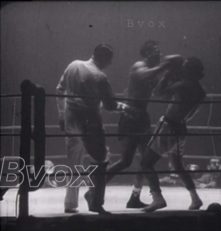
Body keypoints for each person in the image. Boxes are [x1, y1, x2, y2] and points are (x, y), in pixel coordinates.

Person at [105, 40, 179, 208]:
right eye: (154, 50)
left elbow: (160, 93)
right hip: (130, 117)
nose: (159, 54)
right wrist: (166, 65)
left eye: (159, 51)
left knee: (145, 159)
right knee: (126, 161)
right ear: (146, 53)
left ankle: (138, 197)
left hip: (141, 118)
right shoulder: (139, 66)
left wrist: (167, 75)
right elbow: (146, 75)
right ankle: (95, 189)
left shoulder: (154, 72)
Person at [56, 44, 129, 214]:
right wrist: (124, 107)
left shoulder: (73, 65)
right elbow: (110, 105)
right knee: (101, 160)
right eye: (109, 60)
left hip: (70, 118)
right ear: (104, 58)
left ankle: (70, 204)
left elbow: (60, 89)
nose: (110, 64)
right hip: (89, 121)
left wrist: (61, 114)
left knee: (74, 162)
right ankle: (95, 201)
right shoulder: (99, 76)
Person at [141, 56, 206, 212]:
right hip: (181, 128)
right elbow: (191, 114)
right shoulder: (200, 91)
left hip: (169, 127)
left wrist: (167, 75)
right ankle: (195, 199)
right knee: (177, 165)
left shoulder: (183, 85)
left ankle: (158, 199)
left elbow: (157, 93)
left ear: (188, 70)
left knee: (146, 163)